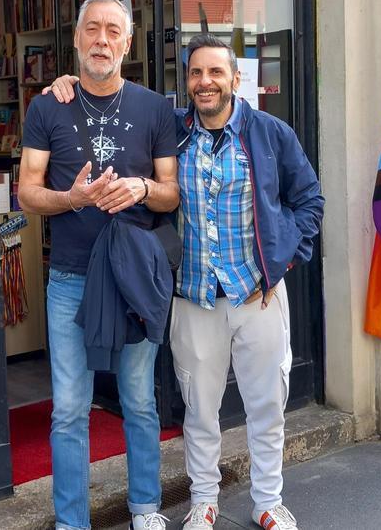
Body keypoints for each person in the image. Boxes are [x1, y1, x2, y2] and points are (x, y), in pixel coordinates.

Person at [45, 33, 324, 530]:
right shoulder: (170, 131)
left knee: (266, 405)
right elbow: (109, 103)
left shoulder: (270, 133)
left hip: (257, 295)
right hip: (194, 296)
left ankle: (267, 501)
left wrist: (281, 262)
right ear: (186, 82)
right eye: (196, 74)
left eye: (216, 72)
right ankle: (203, 501)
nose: (205, 82)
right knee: (199, 410)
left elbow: (309, 201)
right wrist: (71, 83)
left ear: (236, 79)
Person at [18, 0, 180, 530]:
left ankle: (146, 510)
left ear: (128, 43)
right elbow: (26, 194)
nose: (102, 40)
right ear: (77, 38)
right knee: (68, 410)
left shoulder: (155, 107)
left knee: (138, 400)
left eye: (114, 30)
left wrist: (141, 187)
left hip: (133, 278)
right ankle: (71, 523)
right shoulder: (47, 107)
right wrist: (73, 199)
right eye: (93, 29)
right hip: (69, 277)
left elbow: (172, 194)